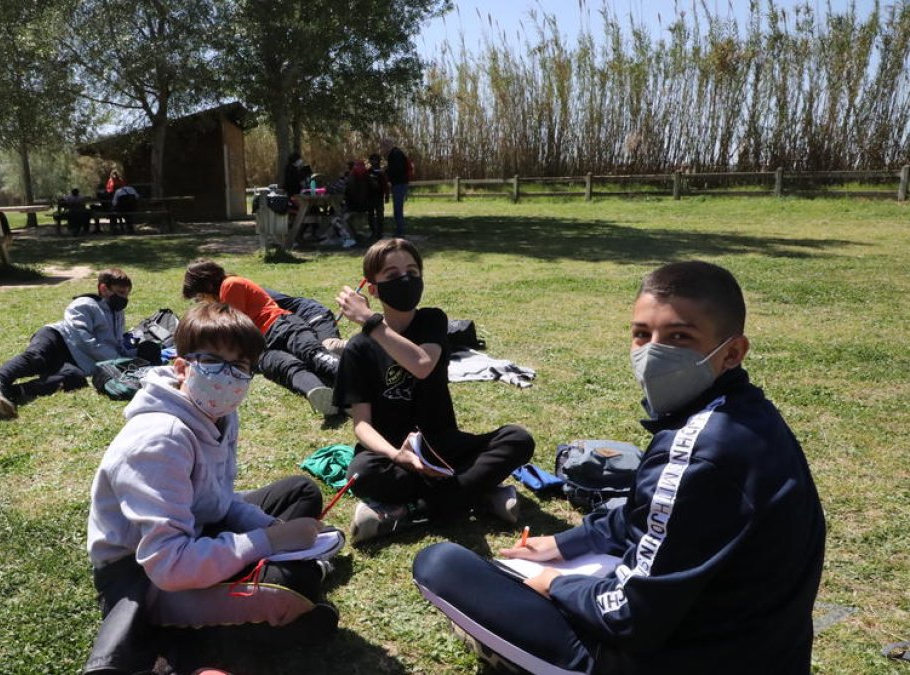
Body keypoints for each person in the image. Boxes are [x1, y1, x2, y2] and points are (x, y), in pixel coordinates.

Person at [412, 261, 826, 675]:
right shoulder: (743, 416)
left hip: (674, 656)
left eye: (680, 337)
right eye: (642, 335)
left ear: (732, 352)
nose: (653, 353)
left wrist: (554, 583)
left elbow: (629, 616)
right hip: (756, 647)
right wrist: (564, 545)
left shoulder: (697, 450)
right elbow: (647, 516)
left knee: (439, 564)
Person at [83, 301, 337, 674]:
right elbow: (169, 565)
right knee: (295, 588)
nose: (228, 375)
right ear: (182, 367)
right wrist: (271, 542)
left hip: (197, 529)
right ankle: (172, 647)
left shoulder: (218, 413)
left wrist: (271, 528)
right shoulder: (160, 440)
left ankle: (257, 586)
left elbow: (217, 500)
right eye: (214, 360)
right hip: (143, 575)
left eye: (240, 366)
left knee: (301, 492)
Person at [333, 238, 534, 543]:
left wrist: (369, 320)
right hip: (394, 456)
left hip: (441, 445)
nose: (405, 279)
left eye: (413, 271)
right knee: (362, 473)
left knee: (517, 439)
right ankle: (477, 492)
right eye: (392, 274)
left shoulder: (432, 320)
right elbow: (361, 423)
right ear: (372, 289)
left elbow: (422, 363)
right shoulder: (359, 349)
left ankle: (413, 511)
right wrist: (395, 455)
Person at [0, 269, 137, 418]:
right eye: (120, 292)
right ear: (103, 289)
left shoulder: (118, 314)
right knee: (37, 357)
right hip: (58, 338)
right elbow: (83, 339)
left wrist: (133, 356)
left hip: (75, 359)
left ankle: (10, 394)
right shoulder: (84, 304)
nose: (124, 298)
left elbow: (117, 342)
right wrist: (115, 359)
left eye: (127, 294)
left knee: (74, 378)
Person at [182, 259, 341, 417]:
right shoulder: (223, 294)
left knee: (312, 354)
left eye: (200, 296)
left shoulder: (230, 285)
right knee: (285, 367)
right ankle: (317, 391)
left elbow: (231, 329)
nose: (202, 301)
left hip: (280, 326)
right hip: (262, 344)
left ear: (208, 286)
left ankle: (357, 375)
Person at [380, 138, 410, 238]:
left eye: (382, 146)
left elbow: (397, 169)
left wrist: (386, 172)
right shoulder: (395, 153)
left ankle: (400, 232)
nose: (382, 149)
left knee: (398, 209)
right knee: (397, 208)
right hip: (398, 183)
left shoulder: (395, 154)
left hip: (399, 184)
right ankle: (399, 230)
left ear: (388, 145)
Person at [366, 153, 390, 242]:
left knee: (380, 215)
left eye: (375, 160)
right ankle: (373, 232)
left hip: (379, 197)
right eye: (372, 160)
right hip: (370, 197)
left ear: (378, 161)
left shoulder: (381, 172)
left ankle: (380, 233)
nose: (374, 161)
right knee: (370, 216)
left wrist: (387, 196)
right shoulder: (368, 172)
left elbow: (385, 185)